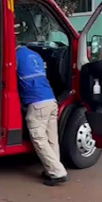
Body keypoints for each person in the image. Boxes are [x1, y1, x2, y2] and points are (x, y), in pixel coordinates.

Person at [16, 44, 69, 186]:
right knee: (52, 138)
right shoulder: (35, 55)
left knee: (39, 138)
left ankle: (57, 173)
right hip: (50, 99)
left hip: (37, 102)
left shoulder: (14, 56)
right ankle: (52, 169)